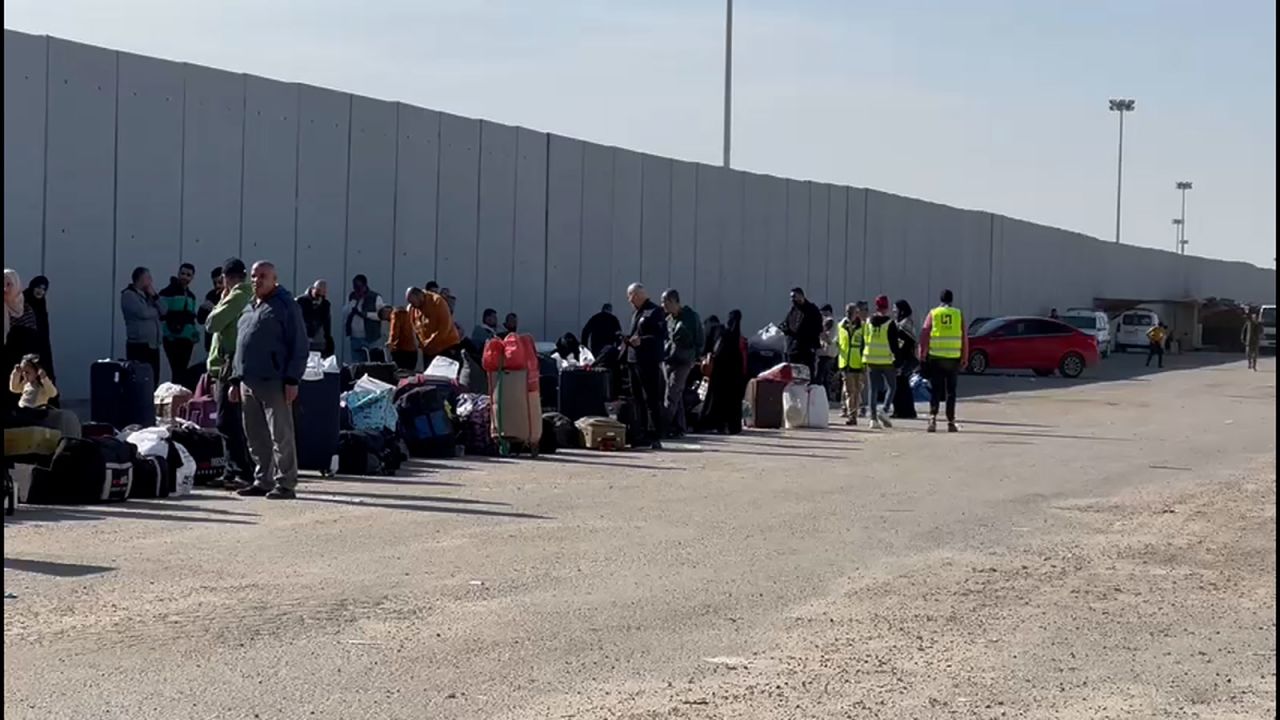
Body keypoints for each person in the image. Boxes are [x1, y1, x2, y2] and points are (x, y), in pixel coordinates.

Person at [231, 261, 307, 500]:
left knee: (280, 434)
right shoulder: (250, 305)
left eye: (262, 276)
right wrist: (235, 379)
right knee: (255, 434)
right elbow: (240, 345)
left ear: (275, 278)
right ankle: (262, 479)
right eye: (253, 276)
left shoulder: (286, 305)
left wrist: (292, 379)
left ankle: (286, 483)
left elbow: (299, 344)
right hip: (248, 380)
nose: (257, 280)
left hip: (275, 381)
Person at [205, 258, 255, 489]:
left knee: (227, 421)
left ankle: (242, 471)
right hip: (236, 365)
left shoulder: (236, 296)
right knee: (233, 420)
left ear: (227, 277)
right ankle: (230, 470)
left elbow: (212, 323)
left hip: (228, 366)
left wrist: (221, 301)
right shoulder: (250, 295)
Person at [919, 289, 967, 433]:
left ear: (940, 299)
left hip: (936, 357)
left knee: (936, 390)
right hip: (953, 358)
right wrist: (964, 357)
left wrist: (922, 354)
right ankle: (951, 422)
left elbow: (925, 333)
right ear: (951, 300)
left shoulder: (933, 313)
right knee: (951, 391)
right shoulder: (958, 314)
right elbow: (964, 336)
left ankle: (932, 418)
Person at [625, 283, 667, 449]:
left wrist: (642, 340)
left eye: (630, 296)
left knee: (651, 398)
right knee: (636, 399)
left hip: (648, 361)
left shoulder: (654, 312)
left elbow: (660, 336)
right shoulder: (637, 312)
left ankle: (654, 434)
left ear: (636, 295)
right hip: (633, 360)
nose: (629, 300)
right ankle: (639, 433)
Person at [698, 309, 746, 434]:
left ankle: (711, 423)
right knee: (733, 400)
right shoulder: (735, 337)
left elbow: (708, 350)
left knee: (715, 397)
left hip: (720, 372)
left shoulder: (718, 332)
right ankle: (732, 426)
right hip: (734, 374)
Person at [660, 289, 700, 439]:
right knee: (675, 394)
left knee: (672, 392)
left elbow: (699, 338)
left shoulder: (690, 317)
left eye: (665, 302)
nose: (663, 305)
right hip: (669, 359)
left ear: (674, 301)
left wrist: (694, 356)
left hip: (684, 360)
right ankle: (679, 426)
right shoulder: (669, 319)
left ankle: (663, 426)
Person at [862, 295, 901, 429]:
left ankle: (873, 419)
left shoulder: (868, 322)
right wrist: (898, 360)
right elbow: (894, 344)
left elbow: (865, 339)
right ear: (887, 307)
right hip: (886, 359)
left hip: (871, 358)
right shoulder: (889, 323)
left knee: (873, 389)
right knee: (892, 386)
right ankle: (884, 409)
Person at [158, 263, 200, 385]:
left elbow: (191, 317)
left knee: (182, 371)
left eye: (188, 275)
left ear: (192, 277)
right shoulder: (167, 292)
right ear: (178, 273)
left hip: (186, 339)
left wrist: (193, 333)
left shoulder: (191, 296)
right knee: (177, 371)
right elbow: (162, 314)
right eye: (182, 274)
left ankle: (177, 397)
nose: (185, 277)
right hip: (172, 338)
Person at [120, 266, 162, 383]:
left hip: (153, 344)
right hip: (139, 344)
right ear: (140, 279)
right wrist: (156, 311)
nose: (151, 281)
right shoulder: (128, 295)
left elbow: (164, 310)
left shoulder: (149, 295)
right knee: (139, 378)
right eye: (148, 278)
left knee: (153, 377)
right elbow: (143, 313)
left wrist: (155, 296)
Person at [405, 287, 462, 364]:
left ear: (419, 295)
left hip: (446, 347)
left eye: (413, 302)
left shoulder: (437, 301)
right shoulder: (414, 309)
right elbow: (415, 328)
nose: (412, 305)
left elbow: (444, 327)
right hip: (429, 351)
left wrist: (430, 342)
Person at [781, 287, 823, 379]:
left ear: (801, 296)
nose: (792, 299)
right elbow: (786, 323)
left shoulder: (812, 310)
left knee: (807, 375)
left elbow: (818, 328)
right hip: (792, 348)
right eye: (791, 297)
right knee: (792, 375)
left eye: (794, 296)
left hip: (806, 349)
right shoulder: (793, 310)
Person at [344, 274, 386, 360]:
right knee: (357, 364)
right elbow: (345, 313)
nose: (357, 290)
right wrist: (352, 302)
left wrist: (365, 314)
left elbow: (382, 315)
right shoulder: (352, 296)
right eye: (355, 287)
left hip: (371, 337)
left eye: (359, 287)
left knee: (371, 362)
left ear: (365, 285)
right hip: (355, 337)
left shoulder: (375, 297)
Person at [837, 303, 865, 426]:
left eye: (851, 312)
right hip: (845, 363)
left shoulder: (862, 327)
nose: (848, 314)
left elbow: (865, 345)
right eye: (847, 312)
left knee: (857, 390)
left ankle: (855, 410)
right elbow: (837, 343)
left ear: (856, 313)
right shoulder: (841, 326)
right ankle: (851, 415)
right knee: (849, 390)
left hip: (858, 362)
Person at [21, 276, 54, 383]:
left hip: (41, 345)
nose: (41, 291)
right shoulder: (23, 300)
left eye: (44, 289)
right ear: (33, 287)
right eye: (38, 287)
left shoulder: (41, 303)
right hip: (25, 344)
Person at [892, 299, 919, 420]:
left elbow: (904, 343)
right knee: (901, 385)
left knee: (901, 386)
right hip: (903, 359)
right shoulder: (903, 323)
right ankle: (902, 410)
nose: (894, 311)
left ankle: (904, 411)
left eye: (895, 309)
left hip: (905, 359)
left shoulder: (904, 324)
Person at [296, 280, 334, 357]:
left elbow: (327, 324)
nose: (319, 297)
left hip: (319, 341)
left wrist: (329, 341)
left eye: (322, 294)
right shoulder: (301, 301)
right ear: (313, 289)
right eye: (318, 292)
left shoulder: (325, 304)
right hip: (303, 339)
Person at [197, 266, 224, 354]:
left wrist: (214, 308)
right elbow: (201, 320)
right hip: (211, 341)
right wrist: (203, 308)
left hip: (225, 342)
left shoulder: (233, 295)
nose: (217, 286)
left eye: (220, 282)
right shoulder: (211, 295)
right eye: (214, 283)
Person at [387, 305, 420, 371]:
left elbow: (395, 331)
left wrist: (390, 342)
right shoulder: (408, 314)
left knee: (401, 374)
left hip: (400, 350)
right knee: (410, 373)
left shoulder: (396, 314)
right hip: (412, 350)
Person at [817, 304, 839, 400]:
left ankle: (824, 396)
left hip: (826, 353)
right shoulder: (832, 322)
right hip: (830, 353)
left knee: (822, 376)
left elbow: (827, 338)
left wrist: (820, 332)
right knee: (825, 376)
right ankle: (826, 396)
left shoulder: (829, 321)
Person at [1244, 307, 1262, 371]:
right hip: (1249, 340)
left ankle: (1254, 366)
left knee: (1255, 355)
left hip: (1256, 341)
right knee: (1248, 353)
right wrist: (1246, 311)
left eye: (1255, 317)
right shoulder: (1249, 323)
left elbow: (1261, 331)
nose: (1254, 318)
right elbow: (1244, 330)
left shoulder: (1259, 324)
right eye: (1253, 317)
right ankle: (1249, 363)